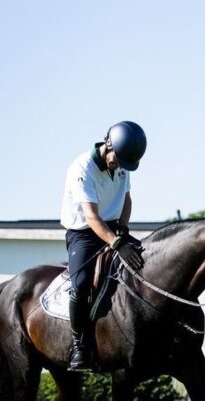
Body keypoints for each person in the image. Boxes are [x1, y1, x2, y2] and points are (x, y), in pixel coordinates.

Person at [60, 121, 147, 371]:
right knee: (81, 283)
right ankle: (79, 344)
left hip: (112, 226)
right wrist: (116, 242)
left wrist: (123, 227)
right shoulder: (81, 168)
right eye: (117, 160)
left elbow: (127, 198)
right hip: (84, 233)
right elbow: (92, 217)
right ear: (108, 144)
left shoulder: (123, 160)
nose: (120, 166)